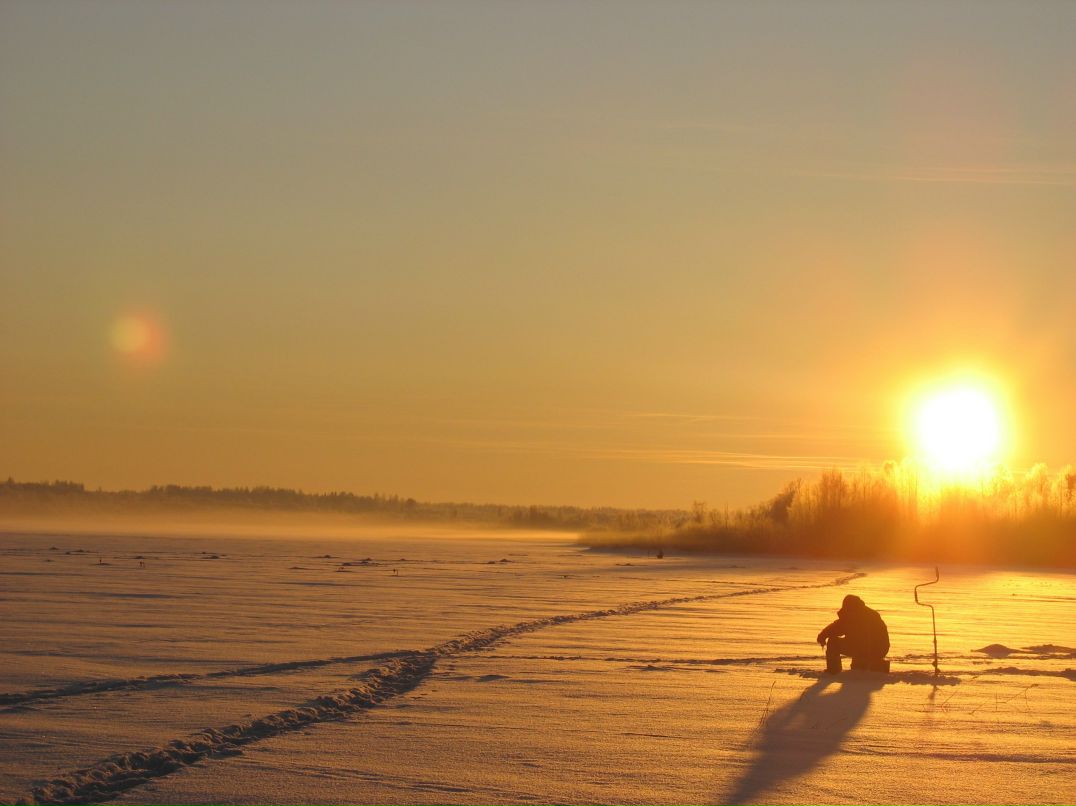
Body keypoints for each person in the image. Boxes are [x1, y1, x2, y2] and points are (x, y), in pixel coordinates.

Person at [816, 594, 890, 674]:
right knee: (833, 642)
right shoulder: (850, 615)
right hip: (862, 646)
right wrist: (823, 636)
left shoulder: (868, 616)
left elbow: (870, 639)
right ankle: (834, 670)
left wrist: (861, 658)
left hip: (876, 648)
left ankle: (877, 665)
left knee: (860, 668)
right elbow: (837, 627)